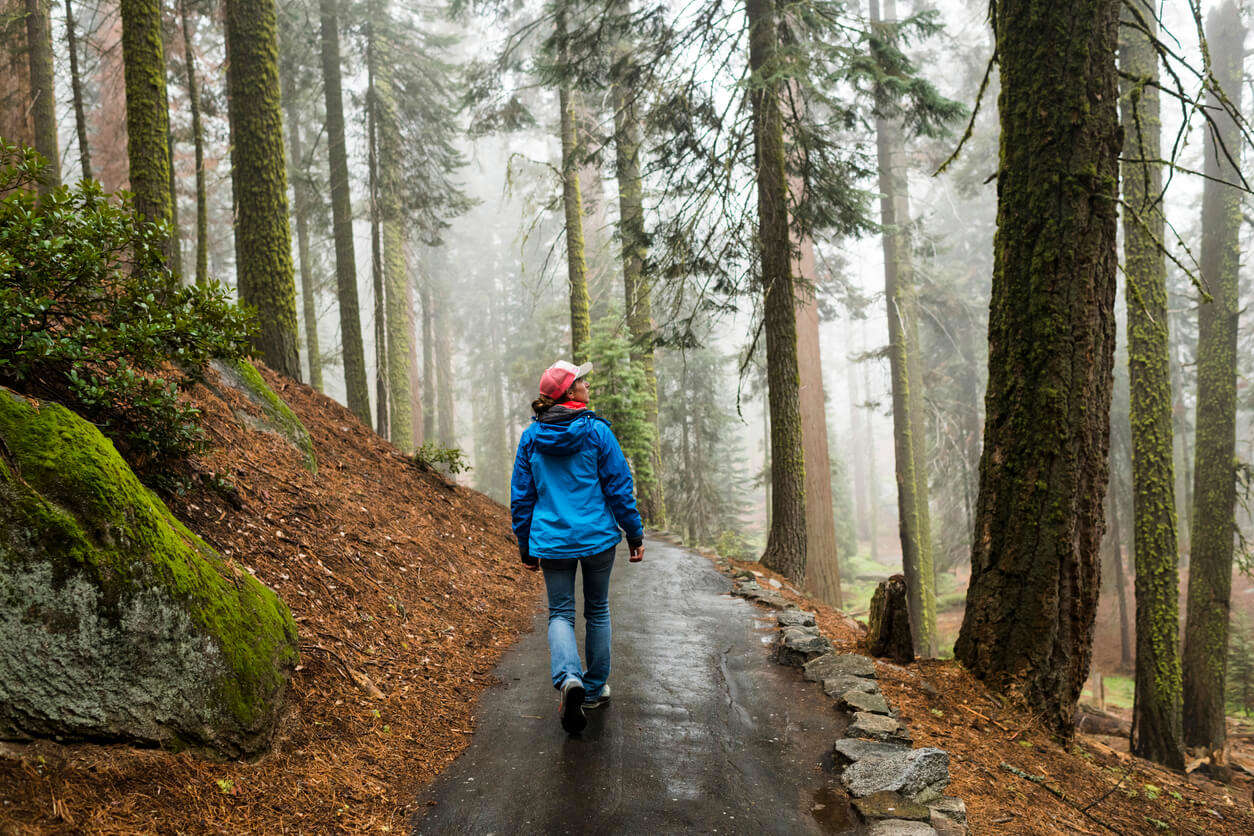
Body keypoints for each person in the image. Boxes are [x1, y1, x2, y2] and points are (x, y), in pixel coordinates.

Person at [510, 359, 645, 734]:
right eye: (582, 381)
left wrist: (526, 546)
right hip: (598, 538)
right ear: (570, 393)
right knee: (597, 611)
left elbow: (522, 498)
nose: (587, 385)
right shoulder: (598, 433)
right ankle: (593, 687)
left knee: (561, 614)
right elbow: (619, 487)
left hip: (552, 542)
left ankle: (568, 678)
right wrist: (634, 534)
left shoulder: (530, 439)